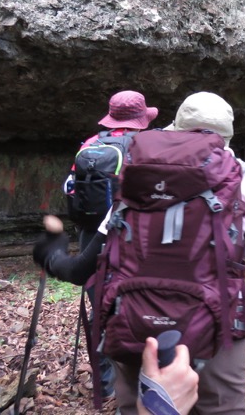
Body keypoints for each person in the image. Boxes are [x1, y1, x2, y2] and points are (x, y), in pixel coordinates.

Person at [34, 91, 245, 415]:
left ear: (176, 128)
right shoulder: (243, 177)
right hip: (214, 326)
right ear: (225, 138)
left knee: (136, 407)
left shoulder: (135, 174)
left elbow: (79, 271)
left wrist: (50, 252)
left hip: (133, 325)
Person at [65, 89, 159, 399]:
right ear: (140, 119)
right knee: (140, 306)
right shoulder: (146, 146)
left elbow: (71, 189)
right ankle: (140, 381)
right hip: (133, 239)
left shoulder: (90, 145)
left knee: (100, 308)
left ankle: (105, 383)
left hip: (91, 236)